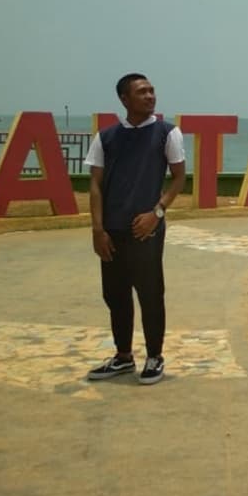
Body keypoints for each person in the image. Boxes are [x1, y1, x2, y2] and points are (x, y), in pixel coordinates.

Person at [84, 74, 186, 385]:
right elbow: (96, 185)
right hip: (111, 230)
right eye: (142, 92)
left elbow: (179, 178)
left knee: (151, 293)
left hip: (147, 230)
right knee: (115, 295)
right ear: (124, 99)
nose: (150, 96)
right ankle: (123, 357)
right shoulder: (106, 137)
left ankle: (154, 356)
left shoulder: (167, 133)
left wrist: (156, 213)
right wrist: (97, 229)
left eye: (152, 90)